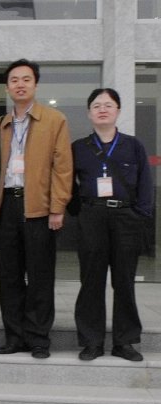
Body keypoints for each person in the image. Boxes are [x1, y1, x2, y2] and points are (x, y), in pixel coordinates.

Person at [0, 58, 73, 359]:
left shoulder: (54, 120)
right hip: (7, 204)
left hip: (39, 206)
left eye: (26, 79)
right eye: (14, 80)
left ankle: (38, 337)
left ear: (35, 84)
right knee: (9, 276)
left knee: (40, 275)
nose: (20, 85)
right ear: (7, 87)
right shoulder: (0, 125)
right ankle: (14, 337)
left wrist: (57, 207)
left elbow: (63, 167)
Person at [73, 88, 153, 362]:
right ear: (89, 113)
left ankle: (124, 342)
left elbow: (145, 183)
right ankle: (91, 341)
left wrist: (140, 215)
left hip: (126, 218)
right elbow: (68, 183)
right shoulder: (79, 147)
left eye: (108, 105)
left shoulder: (133, 145)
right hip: (92, 218)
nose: (102, 109)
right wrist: (80, 212)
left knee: (124, 282)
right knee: (91, 282)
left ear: (118, 110)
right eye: (97, 105)